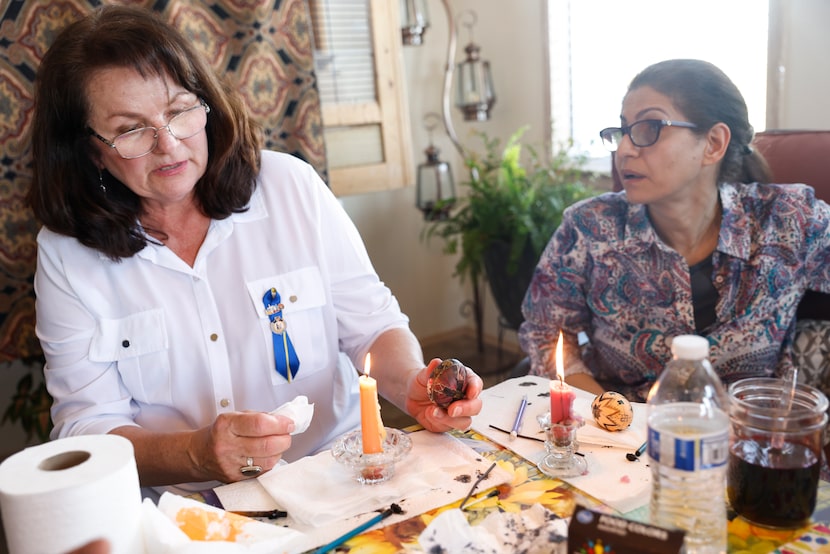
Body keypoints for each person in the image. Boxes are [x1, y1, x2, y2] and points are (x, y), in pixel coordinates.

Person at [28, 5, 483, 496]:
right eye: (131, 129)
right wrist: (196, 454)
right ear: (90, 149)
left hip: (340, 481)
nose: (168, 144)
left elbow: (371, 324)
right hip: (192, 516)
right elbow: (87, 428)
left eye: (179, 110)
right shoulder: (67, 255)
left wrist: (414, 385)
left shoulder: (290, 186)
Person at [519, 59, 830, 402]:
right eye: (623, 130)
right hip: (625, 442)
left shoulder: (790, 219)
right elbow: (545, 335)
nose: (624, 149)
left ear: (713, 143)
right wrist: (616, 417)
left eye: (650, 127)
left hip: (750, 442)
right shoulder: (589, 229)